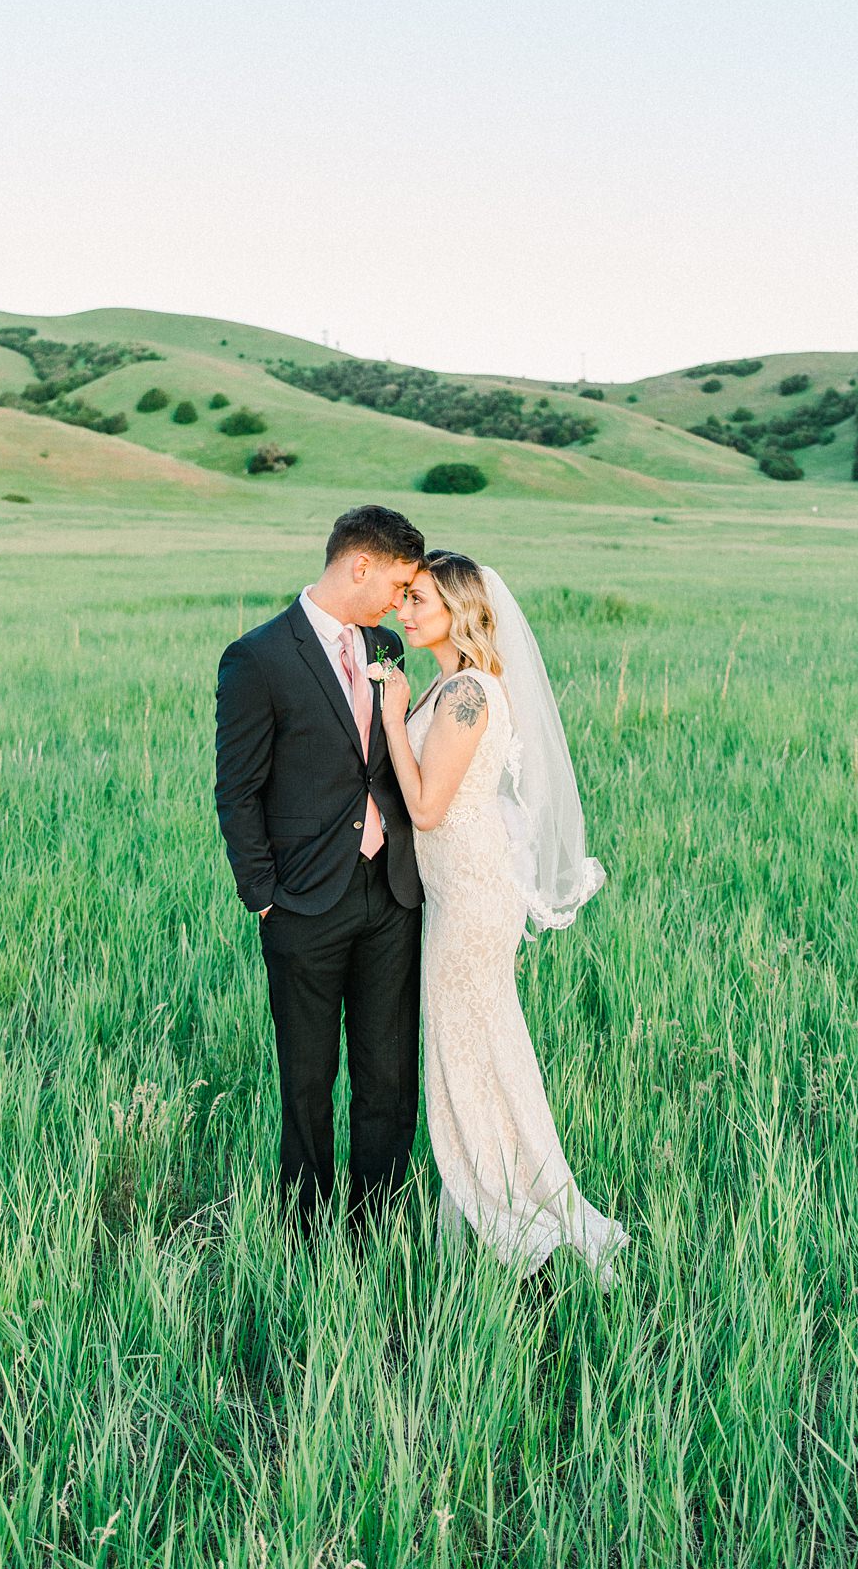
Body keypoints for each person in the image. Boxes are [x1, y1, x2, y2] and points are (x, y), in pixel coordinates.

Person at [378, 551, 627, 1288]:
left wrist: (393, 718)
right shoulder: (451, 685)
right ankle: (501, 1200)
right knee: (483, 1049)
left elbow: (426, 806)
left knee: (465, 1052)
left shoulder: (468, 695)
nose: (405, 610)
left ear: (461, 609)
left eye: (419, 599)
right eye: (405, 598)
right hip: (456, 892)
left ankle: (512, 1218)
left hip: (474, 896)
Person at [214, 503, 427, 1235]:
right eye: (397, 584)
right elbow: (237, 789)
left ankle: (380, 1227)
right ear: (358, 566)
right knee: (307, 1081)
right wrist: (262, 896)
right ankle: (304, 1234)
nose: (401, 602)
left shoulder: (387, 645)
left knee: (388, 1076)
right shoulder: (259, 656)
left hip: (392, 892)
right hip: (302, 903)